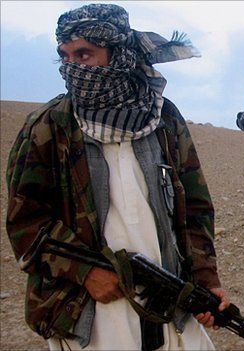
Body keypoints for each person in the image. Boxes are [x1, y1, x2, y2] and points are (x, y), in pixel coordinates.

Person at [5, 4, 228, 350]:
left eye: (85, 54)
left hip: (166, 293)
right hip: (91, 309)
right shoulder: (48, 127)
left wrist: (205, 276)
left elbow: (195, 207)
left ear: (119, 54)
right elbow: (26, 223)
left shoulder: (163, 118)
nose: (74, 68)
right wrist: (85, 273)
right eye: (65, 57)